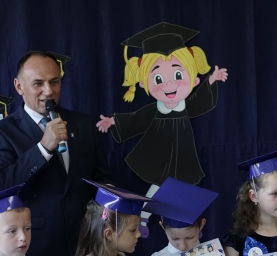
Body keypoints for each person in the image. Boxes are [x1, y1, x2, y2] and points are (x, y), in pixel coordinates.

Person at [0, 51, 114, 256]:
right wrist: (43, 148)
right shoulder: (1, 133)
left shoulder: (83, 124)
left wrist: (107, 213)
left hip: (86, 247)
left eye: (54, 82)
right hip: (36, 249)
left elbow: (101, 179)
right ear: (19, 86)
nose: (48, 91)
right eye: (38, 84)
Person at [96, 23, 228, 236]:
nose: (169, 85)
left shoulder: (186, 106)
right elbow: (136, 118)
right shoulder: (154, 110)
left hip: (183, 152)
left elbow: (200, 102)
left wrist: (211, 80)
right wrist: (114, 122)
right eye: (158, 78)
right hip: (160, 153)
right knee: (158, 186)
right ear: (143, 83)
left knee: (185, 186)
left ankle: (190, 224)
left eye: (178, 75)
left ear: (194, 79)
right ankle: (143, 217)